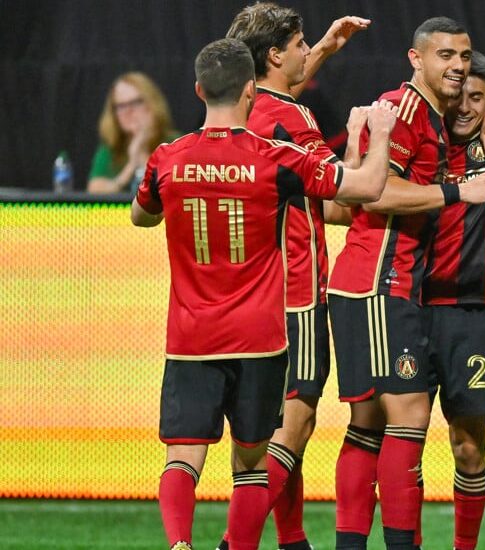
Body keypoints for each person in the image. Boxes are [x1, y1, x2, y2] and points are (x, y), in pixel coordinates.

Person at [130, 38, 394, 550]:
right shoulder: (275, 159)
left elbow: (142, 215)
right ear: (252, 91)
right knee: (252, 461)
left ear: (199, 90)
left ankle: (181, 544)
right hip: (260, 336)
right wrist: (377, 132)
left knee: (183, 457)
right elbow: (365, 187)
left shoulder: (168, 159)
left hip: (191, 337)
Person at [326, 17, 485, 550]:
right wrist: (458, 193)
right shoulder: (403, 110)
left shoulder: (432, 116)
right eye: (445, 55)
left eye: (464, 56)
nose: (457, 65)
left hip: (377, 281)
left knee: (368, 426)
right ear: (416, 58)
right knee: (408, 417)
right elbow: (375, 193)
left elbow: (343, 203)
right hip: (381, 279)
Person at [219, 5, 368, 550]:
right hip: (298, 292)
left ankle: (292, 541)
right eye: (301, 43)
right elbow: (347, 188)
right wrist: (362, 132)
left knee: (265, 434)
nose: (309, 52)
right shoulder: (293, 121)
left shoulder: (238, 115)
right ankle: (234, 545)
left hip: (249, 295)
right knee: (296, 426)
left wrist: (327, 45)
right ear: (275, 55)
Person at [422, 51, 485, 550]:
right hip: (408, 305)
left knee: (468, 445)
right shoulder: (416, 142)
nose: (466, 107)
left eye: (478, 98)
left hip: (474, 311)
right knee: (399, 439)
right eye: (458, 96)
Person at [87, 72, 178, 194]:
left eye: (135, 102)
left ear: (152, 104)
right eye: (121, 106)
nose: (128, 111)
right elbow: (94, 191)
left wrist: (143, 153)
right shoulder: (110, 148)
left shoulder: (176, 144)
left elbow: (176, 190)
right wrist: (131, 165)